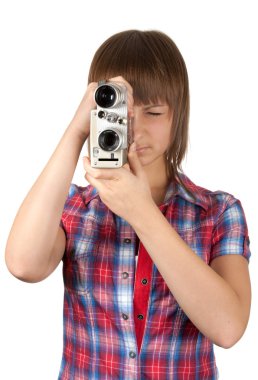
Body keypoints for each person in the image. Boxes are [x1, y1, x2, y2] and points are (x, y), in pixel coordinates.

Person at [5, 30, 251, 379]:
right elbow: (22, 264)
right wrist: (76, 131)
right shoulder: (76, 208)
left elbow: (228, 327)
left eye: (153, 112)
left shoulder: (218, 212)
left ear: (177, 115)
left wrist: (140, 211)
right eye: (119, 113)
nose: (135, 129)